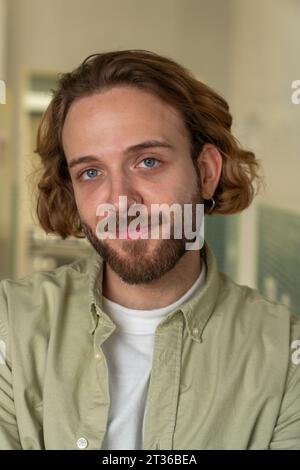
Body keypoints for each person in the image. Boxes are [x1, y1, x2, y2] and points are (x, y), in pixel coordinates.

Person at [0, 50, 299, 450]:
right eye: (90, 172)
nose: (120, 200)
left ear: (206, 173)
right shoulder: (11, 327)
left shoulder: (284, 359)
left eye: (148, 161)